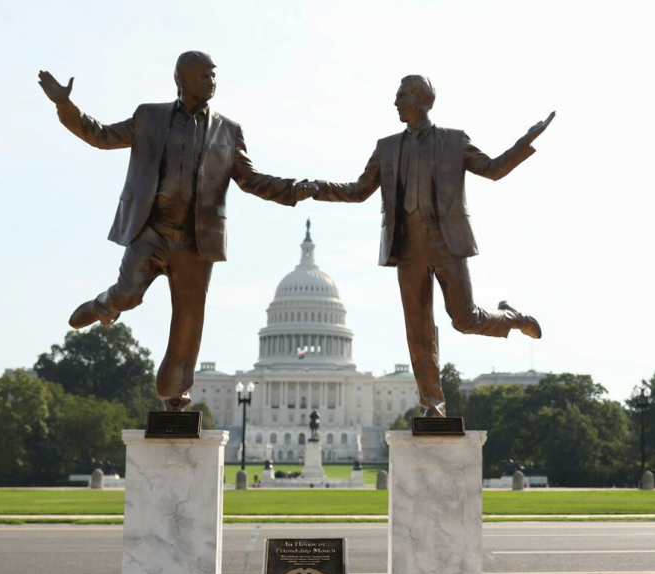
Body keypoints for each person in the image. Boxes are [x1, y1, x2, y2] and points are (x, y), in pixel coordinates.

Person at [38, 52, 316, 411]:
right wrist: (65, 104)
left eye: (214, 76)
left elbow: (250, 180)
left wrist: (293, 189)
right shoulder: (149, 117)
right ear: (181, 79)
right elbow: (101, 136)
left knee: (188, 318)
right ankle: (105, 304)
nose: (212, 83)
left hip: (196, 240)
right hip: (151, 229)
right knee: (129, 294)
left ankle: (174, 392)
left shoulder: (228, 130)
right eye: (204, 76)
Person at [307, 75, 553, 416]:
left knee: (464, 319)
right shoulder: (387, 147)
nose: (395, 104)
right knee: (418, 327)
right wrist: (317, 187)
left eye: (401, 97)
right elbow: (359, 190)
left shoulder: (453, 141)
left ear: (422, 99)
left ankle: (512, 317)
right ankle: (432, 401)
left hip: (446, 241)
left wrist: (525, 142)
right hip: (407, 247)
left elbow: (493, 169)